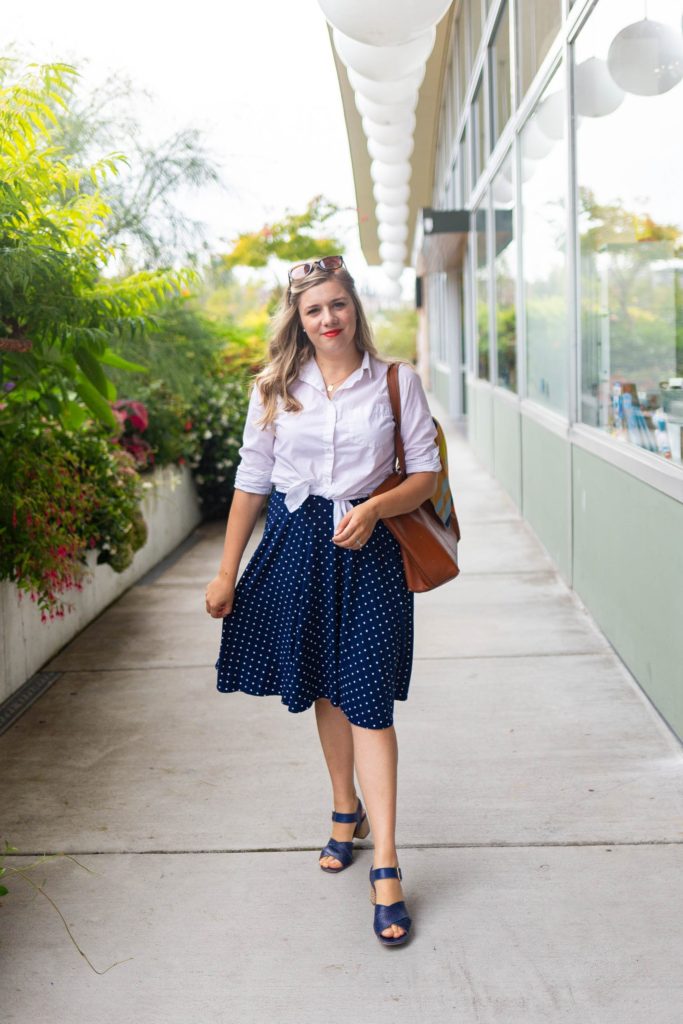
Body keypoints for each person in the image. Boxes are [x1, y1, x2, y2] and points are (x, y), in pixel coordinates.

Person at [204, 255, 441, 946]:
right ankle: (345, 809)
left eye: (337, 305)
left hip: (369, 547)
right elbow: (252, 480)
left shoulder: (395, 382)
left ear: (353, 309)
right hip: (296, 539)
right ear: (299, 322)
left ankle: (387, 865)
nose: (328, 318)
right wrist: (226, 572)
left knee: (366, 695)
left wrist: (372, 509)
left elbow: (424, 474)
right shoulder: (275, 387)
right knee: (323, 687)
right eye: (314, 310)